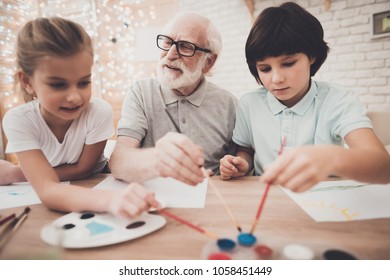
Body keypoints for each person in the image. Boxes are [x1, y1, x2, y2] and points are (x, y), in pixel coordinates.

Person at [220, 2, 390, 192]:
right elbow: (246, 150)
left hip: (324, 202)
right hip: (267, 202)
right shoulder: (249, 103)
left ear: (312, 56)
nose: (276, 79)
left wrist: (331, 157)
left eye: (289, 63)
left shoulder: (338, 99)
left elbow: (383, 166)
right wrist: (241, 163)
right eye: (265, 69)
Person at [2, 17, 159, 217]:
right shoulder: (18, 120)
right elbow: (47, 189)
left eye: (84, 82)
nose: (75, 97)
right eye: (58, 85)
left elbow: (84, 170)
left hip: (96, 180)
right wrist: (110, 200)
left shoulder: (99, 111)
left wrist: (18, 174)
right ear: (27, 81)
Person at [109, 12, 237, 186]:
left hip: (212, 199)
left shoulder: (228, 103)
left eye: (185, 46)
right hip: (155, 200)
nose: (170, 54)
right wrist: (159, 160)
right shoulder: (141, 92)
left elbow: (240, 161)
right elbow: (118, 162)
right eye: (167, 42)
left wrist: (231, 167)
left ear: (208, 62)